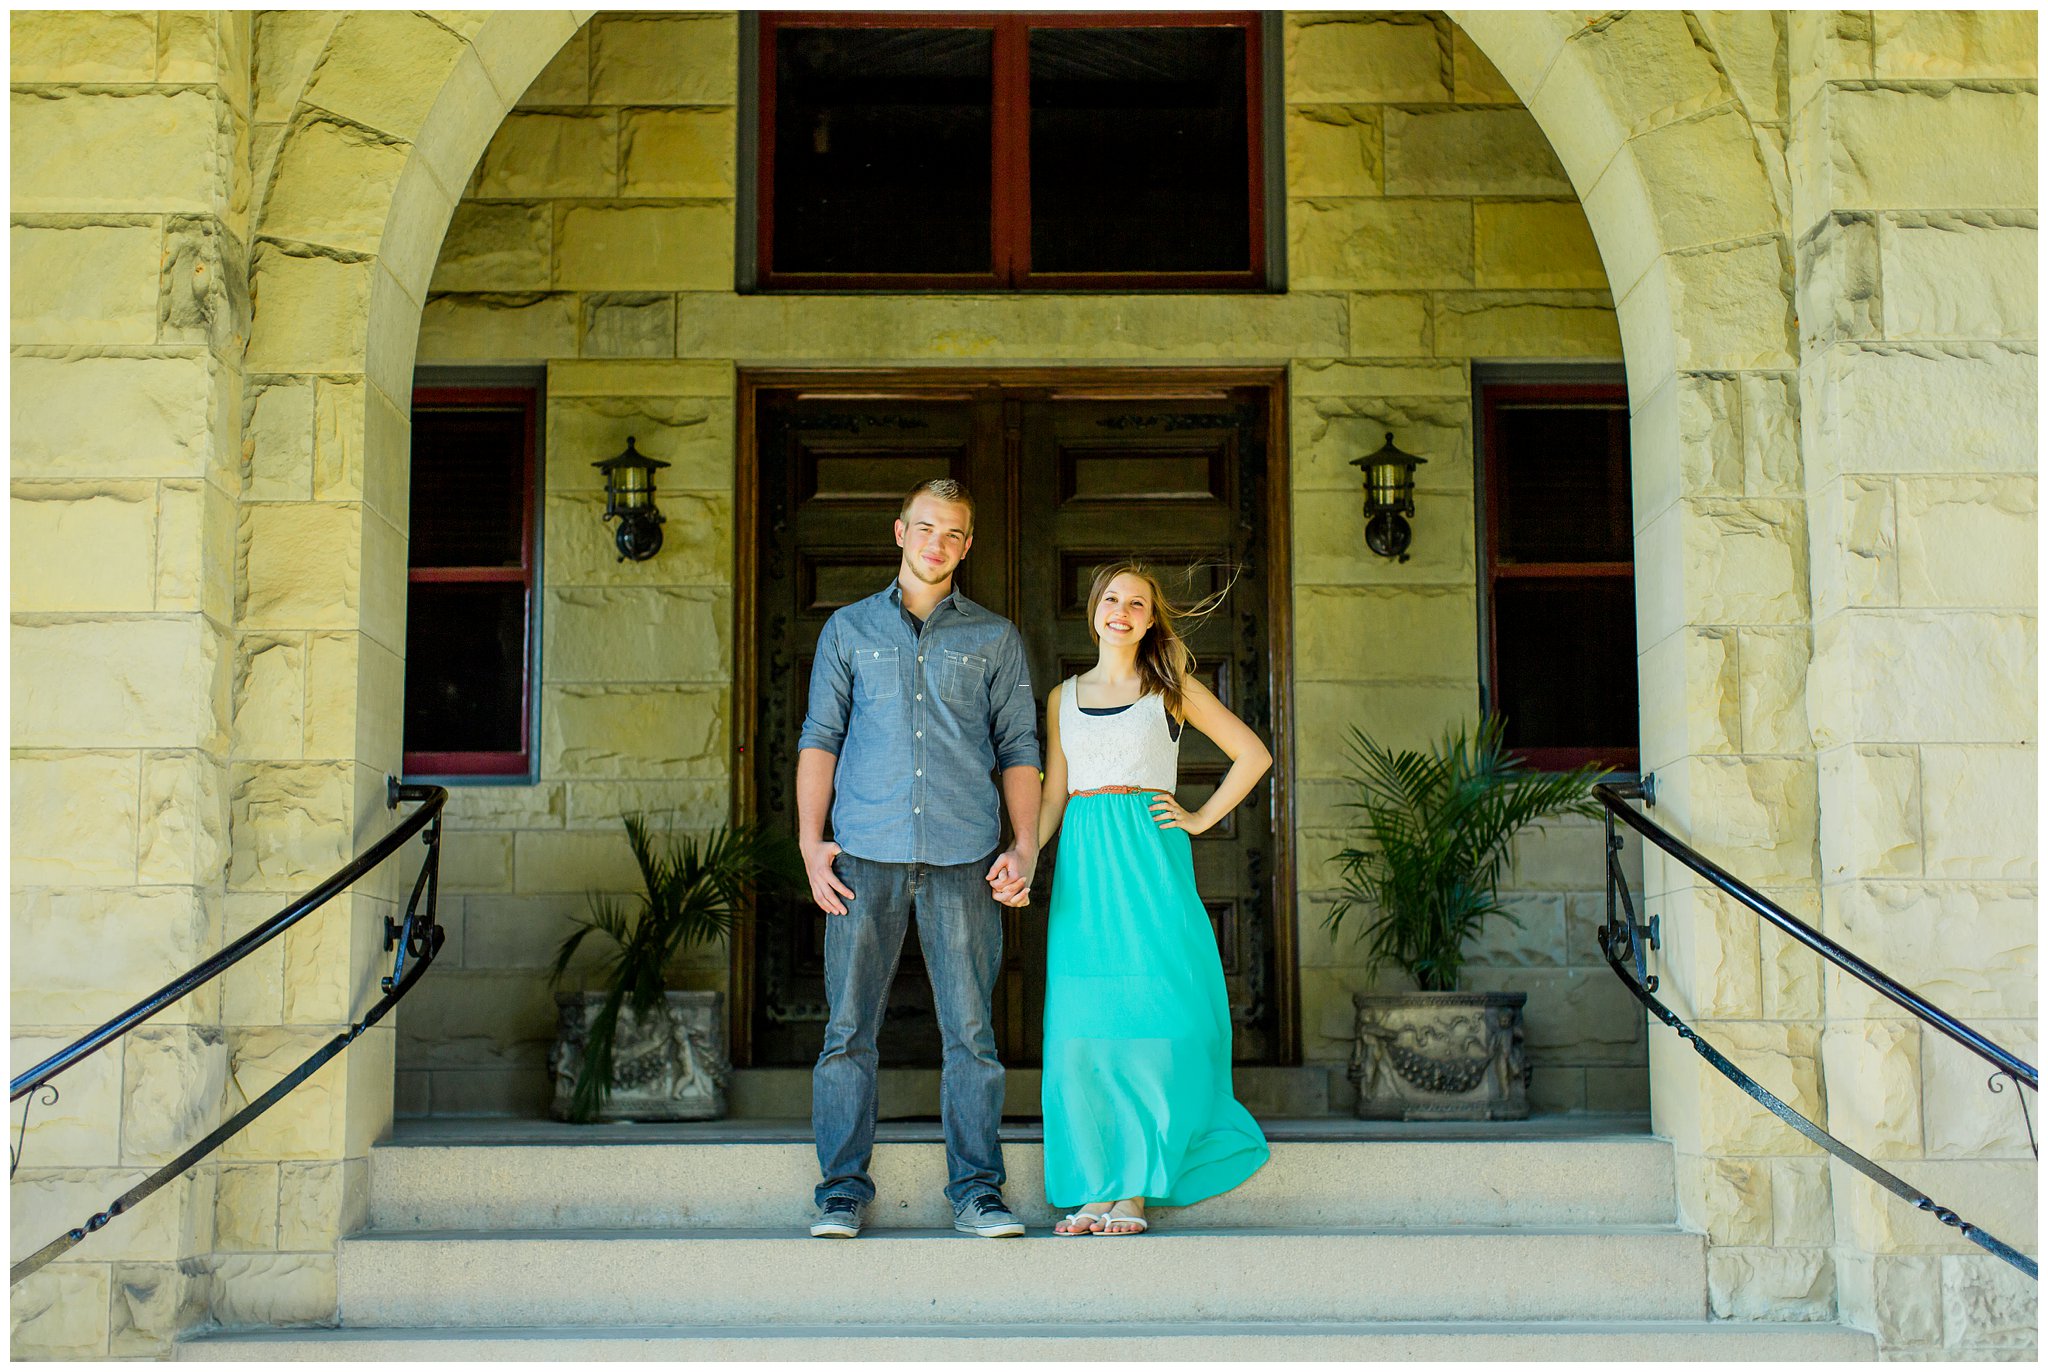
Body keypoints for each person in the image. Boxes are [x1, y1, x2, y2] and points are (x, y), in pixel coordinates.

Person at [795, 478, 1041, 1240]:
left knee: (971, 1032)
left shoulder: (994, 638)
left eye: (954, 534)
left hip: (965, 855)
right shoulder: (846, 629)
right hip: (862, 854)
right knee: (847, 1029)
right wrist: (811, 843)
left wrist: (1026, 843)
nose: (938, 543)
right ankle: (840, 1191)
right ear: (899, 531)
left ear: (967, 546)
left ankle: (976, 1192)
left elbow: (1019, 747)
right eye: (926, 527)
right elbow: (819, 738)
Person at [1028, 562, 1272, 1236]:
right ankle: (1094, 1186)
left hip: (1149, 856)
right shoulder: (1061, 697)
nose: (1123, 611)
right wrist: (1024, 856)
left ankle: (1132, 1191)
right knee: (1084, 1021)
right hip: (1084, 863)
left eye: (1137, 603)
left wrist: (1198, 818)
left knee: (1151, 1010)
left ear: (1150, 616)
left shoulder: (1171, 686)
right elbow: (1053, 793)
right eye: (1112, 599)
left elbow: (1252, 755)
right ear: (1093, 609)